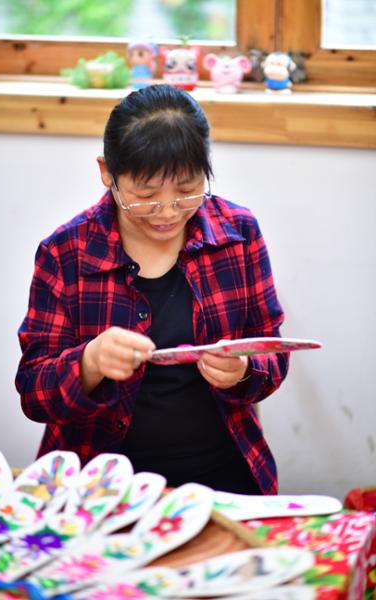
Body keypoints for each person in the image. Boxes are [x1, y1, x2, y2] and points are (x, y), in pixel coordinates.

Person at [15, 84, 289, 495]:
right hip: (100, 487)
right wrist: (90, 362)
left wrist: (243, 370)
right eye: (145, 196)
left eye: (186, 190)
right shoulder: (66, 253)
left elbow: (273, 351)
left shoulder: (238, 233)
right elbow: (34, 395)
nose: (167, 212)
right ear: (107, 172)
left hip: (224, 476)